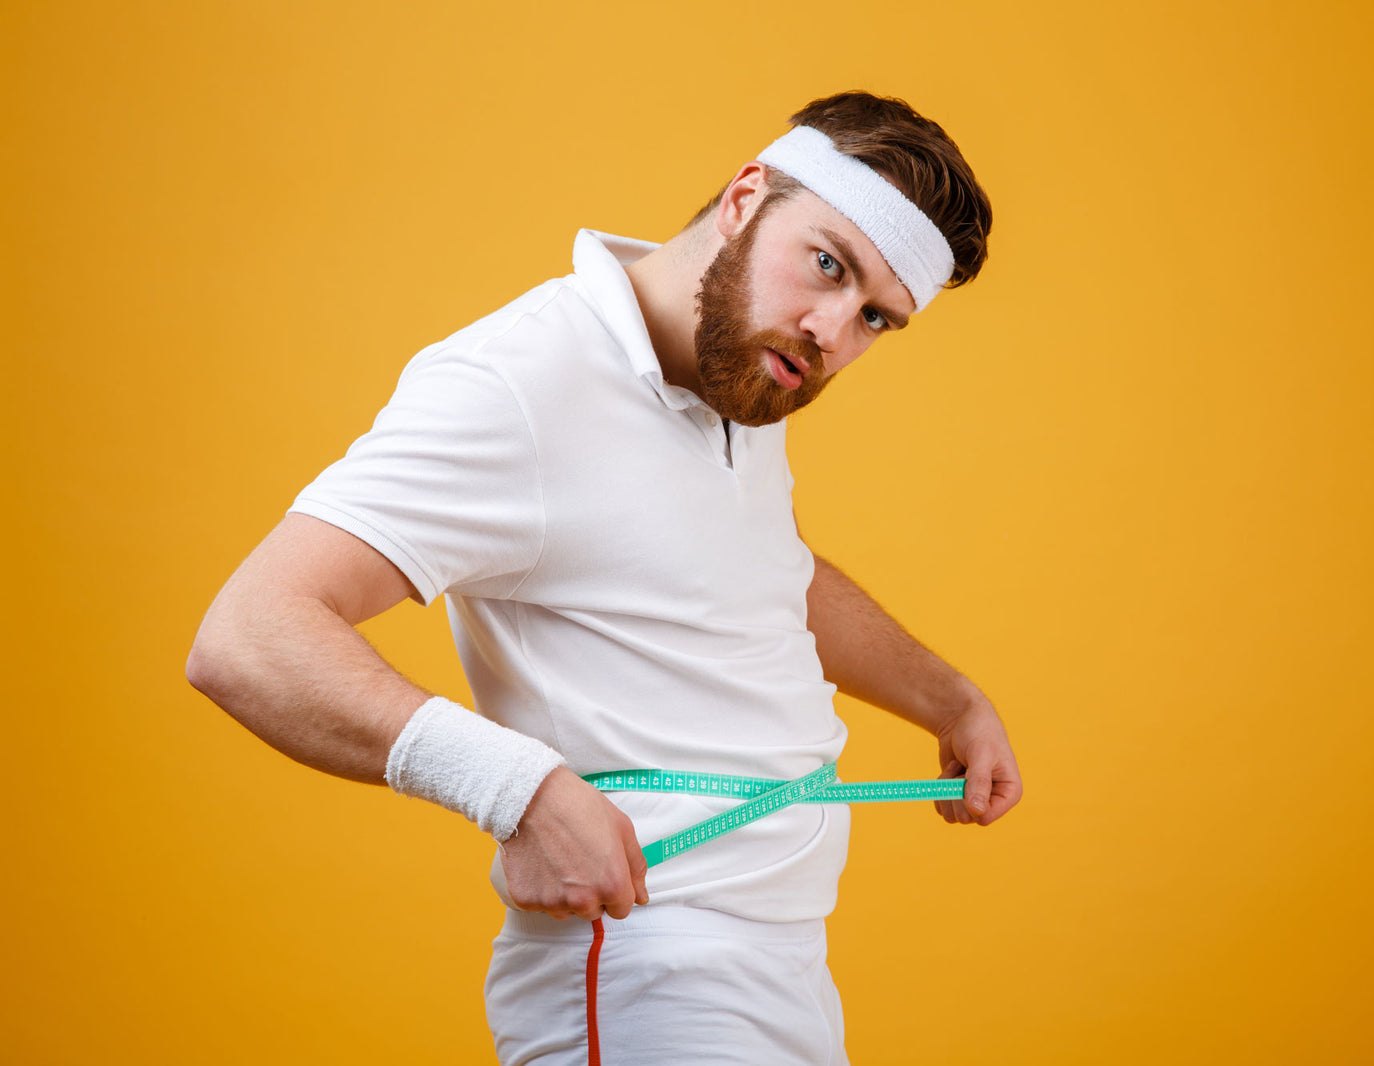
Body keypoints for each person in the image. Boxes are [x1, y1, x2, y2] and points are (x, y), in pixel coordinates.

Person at [187, 90, 1022, 1065]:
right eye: (828, 263)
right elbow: (248, 634)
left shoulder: (738, 375)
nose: (831, 329)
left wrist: (949, 702)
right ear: (746, 197)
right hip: (648, 970)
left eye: (875, 315)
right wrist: (516, 790)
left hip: (782, 964)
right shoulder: (524, 381)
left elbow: (763, 575)